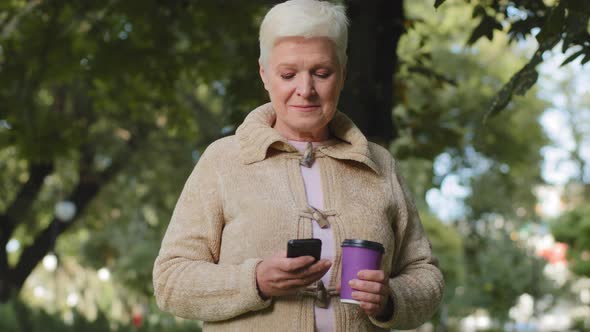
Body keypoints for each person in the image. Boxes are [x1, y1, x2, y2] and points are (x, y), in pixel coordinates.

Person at [152, 0, 444, 331]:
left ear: (343, 74)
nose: (305, 90)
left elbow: (425, 274)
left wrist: (391, 297)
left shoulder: (379, 164)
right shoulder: (223, 161)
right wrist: (256, 280)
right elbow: (170, 281)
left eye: (322, 73)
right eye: (288, 74)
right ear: (264, 74)